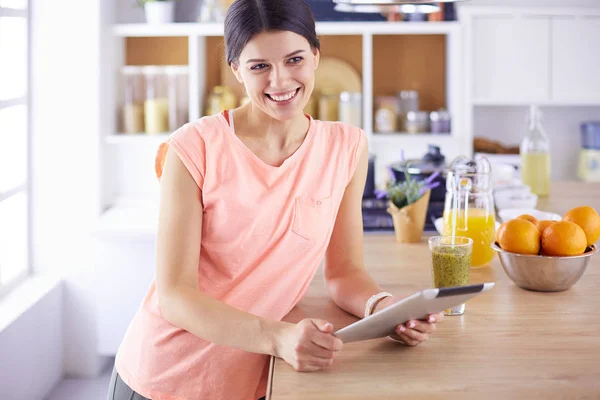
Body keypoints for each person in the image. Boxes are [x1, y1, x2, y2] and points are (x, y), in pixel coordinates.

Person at [108, 0, 443, 399]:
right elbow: (176, 297)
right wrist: (280, 338)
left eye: (294, 59)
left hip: (256, 378)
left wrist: (383, 309)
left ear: (316, 56)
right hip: (164, 378)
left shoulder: (346, 148)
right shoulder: (193, 147)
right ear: (236, 69)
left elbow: (345, 272)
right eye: (259, 66)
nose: (280, 81)